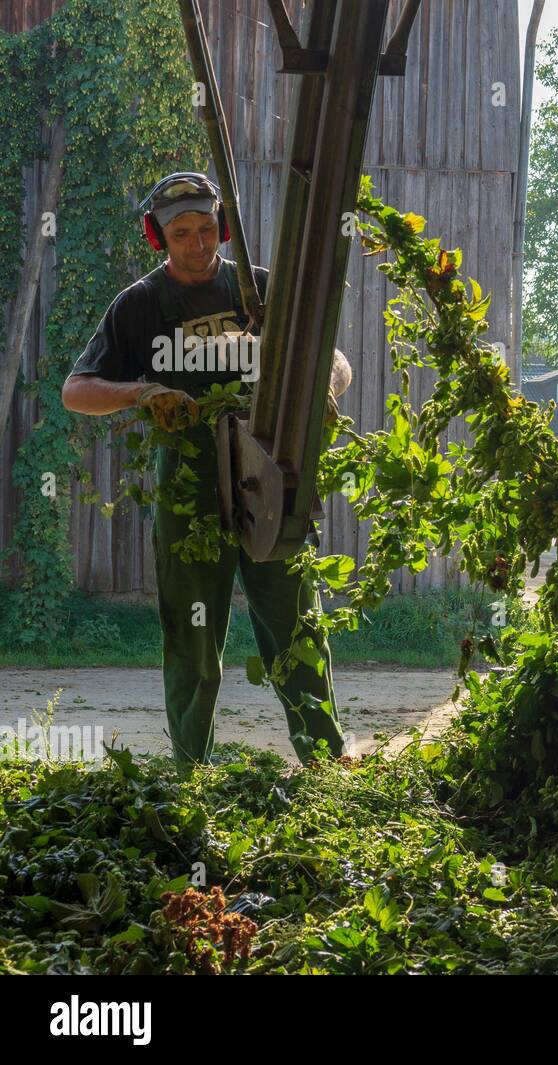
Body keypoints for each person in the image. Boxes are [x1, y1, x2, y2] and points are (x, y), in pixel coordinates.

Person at [61, 171, 352, 772]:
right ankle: (192, 772)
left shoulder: (260, 291)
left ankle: (325, 764)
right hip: (188, 485)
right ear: (158, 237)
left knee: (296, 624)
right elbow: (76, 390)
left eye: (206, 229)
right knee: (193, 639)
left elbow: (335, 358)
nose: (197, 244)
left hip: (270, 476)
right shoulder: (140, 304)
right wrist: (142, 392)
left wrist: (324, 384)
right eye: (181, 233)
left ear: (223, 227)